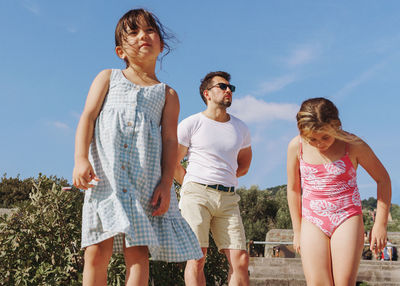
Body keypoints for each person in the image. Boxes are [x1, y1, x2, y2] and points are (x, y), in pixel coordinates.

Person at [73, 9, 202, 286]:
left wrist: (167, 184)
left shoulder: (167, 94)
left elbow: (170, 141)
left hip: (144, 183)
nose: (143, 35)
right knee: (96, 251)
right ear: (121, 50)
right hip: (105, 178)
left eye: (149, 30)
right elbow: (88, 117)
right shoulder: (108, 78)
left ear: (161, 45)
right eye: (133, 32)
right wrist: (80, 159)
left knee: (138, 254)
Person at [286, 97, 391, 285]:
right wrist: (297, 230)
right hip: (312, 219)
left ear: (337, 126)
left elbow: (383, 179)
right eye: (313, 139)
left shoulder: (353, 144)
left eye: (325, 137)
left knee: (343, 283)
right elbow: (293, 189)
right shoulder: (296, 146)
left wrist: (380, 224)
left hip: (346, 217)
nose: (319, 143)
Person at [174, 71, 252, 286]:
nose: (229, 90)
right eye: (223, 86)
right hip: (196, 194)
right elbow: (173, 162)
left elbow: (244, 164)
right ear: (207, 93)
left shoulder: (240, 127)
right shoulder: (191, 123)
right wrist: (192, 183)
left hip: (228, 197)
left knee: (240, 261)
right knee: (197, 257)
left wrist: (222, 176)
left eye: (231, 88)